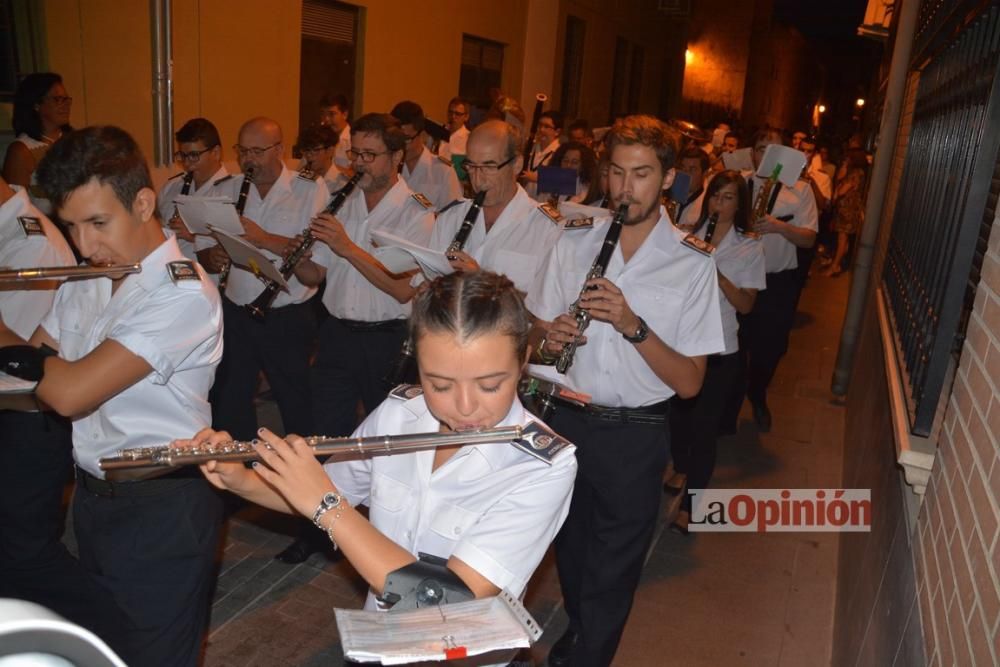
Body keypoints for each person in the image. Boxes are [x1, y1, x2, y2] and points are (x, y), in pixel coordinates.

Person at [183, 271, 577, 639]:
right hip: (380, 636)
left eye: (490, 385)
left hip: (459, 654)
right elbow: (319, 493)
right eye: (439, 385)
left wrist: (328, 508)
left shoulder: (543, 466)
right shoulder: (398, 412)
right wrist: (239, 480)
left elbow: (449, 601)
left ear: (523, 359)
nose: (465, 407)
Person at [0, 126, 224, 666]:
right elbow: (29, 372)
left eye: (99, 223)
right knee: (113, 648)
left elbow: (71, 392)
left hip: (164, 507)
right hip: (97, 500)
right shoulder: (90, 276)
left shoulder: (183, 292)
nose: (85, 245)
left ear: (144, 203)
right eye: (72, 226)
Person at [527, 115, 725, 666]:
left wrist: (632, 324)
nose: (623, 188)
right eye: (615, 172)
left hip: (631, 436)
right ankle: (583, 633)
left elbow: (690, 383)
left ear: (666, 180)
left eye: (640, 174)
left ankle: (586, 653)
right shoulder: (572, 240)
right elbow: (535, 333)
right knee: (571, 555)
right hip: (561, 421)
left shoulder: (692, 262)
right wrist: (550, 337)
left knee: (611, 573)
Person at [275, 113, 436, 564]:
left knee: (385, 447)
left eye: (369, 155)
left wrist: (347, 246)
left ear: (397, 156)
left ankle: (383, 539)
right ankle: (320, 528)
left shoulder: (417, 212)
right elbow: (319, 273)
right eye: (355, 155)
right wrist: (294, 257)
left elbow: (402, 287)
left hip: (388, 339)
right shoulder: (343, 201)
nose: (358, 164)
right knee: (326, 438)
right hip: (337, 334)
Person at [0, 174, 118, 643]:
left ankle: (100, 635)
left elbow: (28, 362)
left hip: (33, 418)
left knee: (26, 550)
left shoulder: (31, 244)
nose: (85, 243)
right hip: (21, 407)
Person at [199, 117, 328, 443]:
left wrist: (263, 238)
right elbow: (202, 247)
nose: (248, 160)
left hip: (286, 314)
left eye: (257, 151)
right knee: (231, 397)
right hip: (237, 311)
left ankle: (306, 471)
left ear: (280, 150)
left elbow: (314, 257)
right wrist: (211, 257)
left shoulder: (309, 188)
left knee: (295, 399)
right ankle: (238, 475)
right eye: (242, 151)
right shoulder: (226, 188)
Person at [664, 171, 765, 533]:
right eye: (715, 197)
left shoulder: (748, 246)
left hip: (721, 347)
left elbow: (747, 305)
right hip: (682, 342)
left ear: (739, 205)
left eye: (727, 199)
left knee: (705, 428)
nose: (718, 205)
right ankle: (681, 463)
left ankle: (694, 505)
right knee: (677, 419)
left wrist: (716, 274)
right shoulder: (688, 234)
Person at [730, 128, 818, 433]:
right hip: (738, 279)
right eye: (759, 148)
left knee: (771, 348)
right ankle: (729, 409)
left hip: (776, 282)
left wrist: (778, 227)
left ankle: (757, 393)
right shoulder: (738, 182)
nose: (764, 155)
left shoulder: (801, 190)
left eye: (772, 150)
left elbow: (808, 239)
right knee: (733, 348)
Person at [425, 120, 565, 296]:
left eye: (489, 167)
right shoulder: (449, 218)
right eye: (471, 166)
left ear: (517, 165)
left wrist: (483, 283)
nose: (477, 179)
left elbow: (548, 312)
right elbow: (426, 286)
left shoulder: (548, 228)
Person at [157, 117, 230, 267]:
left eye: (194, 155)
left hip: (208, 283)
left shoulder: (232, 192)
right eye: (182, 156)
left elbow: (238, 244)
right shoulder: (171, 187)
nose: (187, 164)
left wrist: (192, 236)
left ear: (215, 153)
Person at [2, 73, 73, 214]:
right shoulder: (21, 151)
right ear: (36, 104)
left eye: (66, 99)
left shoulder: (74, 140)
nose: (65, 105)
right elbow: (15, 211)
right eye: (57, 99)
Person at [391, 101, 462, 210]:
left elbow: (453, 215)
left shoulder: (442, 171)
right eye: (397, 140)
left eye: (406, 139)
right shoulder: (389, 167)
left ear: (423, 135)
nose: (400, 146)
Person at [822, 148, 867, 277]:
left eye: (847, 158)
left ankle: (834, 266)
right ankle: (837, 263)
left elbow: (841, 191)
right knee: (844, 239)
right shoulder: (861, 172)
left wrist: (840, 177)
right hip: (850, 210)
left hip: (847, 211)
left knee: (842, 238)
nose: (845, 160)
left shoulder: (853, 173)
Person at [520, 110, 563, 200]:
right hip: (525, 200)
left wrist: (537, 178)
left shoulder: (561, 153)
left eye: (547, 126)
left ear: (557, 132)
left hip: (544, 205)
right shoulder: (530, 147)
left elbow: (567, 182)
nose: (541, 130)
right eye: (540, 125)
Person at [296, 123, 348, 194]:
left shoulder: (342, 184)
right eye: (306, 150)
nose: (308, 155)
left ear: (330, 151)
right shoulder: (300, 179)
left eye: (315, 150)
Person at [673, 146, 711, 228]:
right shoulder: (669, 192)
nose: (685, 173)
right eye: (682, 168)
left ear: (705, 173)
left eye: (692, 169)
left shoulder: (708, 206)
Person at [319, 93, 352, 171]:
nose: (326, 119)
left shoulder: (354, 141)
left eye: (331, 114)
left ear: (345, 114)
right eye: (323, 114)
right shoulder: (319, 139)